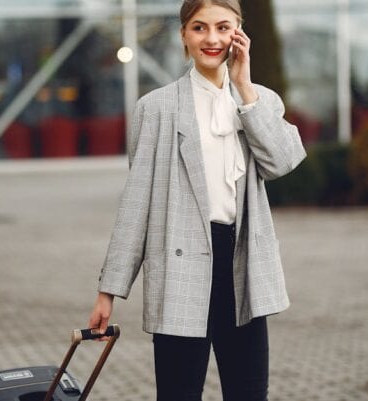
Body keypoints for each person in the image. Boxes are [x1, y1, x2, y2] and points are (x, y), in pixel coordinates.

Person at [88, 0, 306, 400]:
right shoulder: (156, 109)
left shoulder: (261, 101)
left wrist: (244, 87)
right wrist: (110, 290)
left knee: (248, 393)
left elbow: (282, 163)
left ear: (239, 33)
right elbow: (137, 205)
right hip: (179, 267)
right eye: (200, 28)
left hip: (242, 268)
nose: (212, 39)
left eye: (224, 28)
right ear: (184, 35)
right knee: (178, 393)